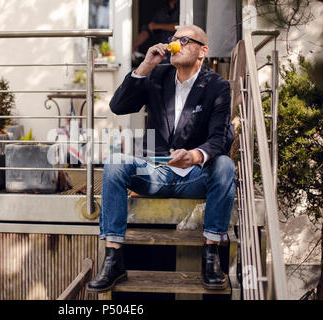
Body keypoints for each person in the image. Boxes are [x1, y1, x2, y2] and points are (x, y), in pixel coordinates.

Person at [87, 25, 236, 293]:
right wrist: (144, 66)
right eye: (173, 39)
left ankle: (211, 254)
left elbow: (221, 138)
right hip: (157, 172)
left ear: (203, 51)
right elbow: (119, 107)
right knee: (114, 163)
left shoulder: (217, 86)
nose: (175, 43)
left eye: (184, 40)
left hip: (196, 176)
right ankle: (113, 260)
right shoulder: (158, 76)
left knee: (225, 165)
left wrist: (192, 156)